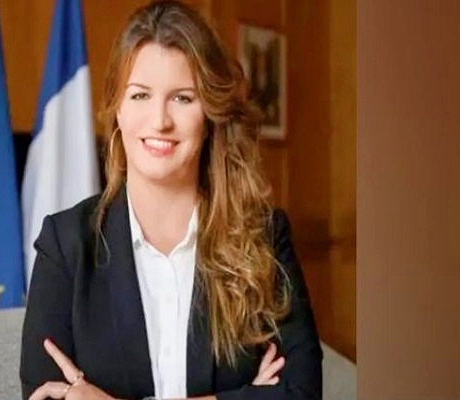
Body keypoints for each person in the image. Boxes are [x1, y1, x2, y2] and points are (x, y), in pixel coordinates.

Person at [20, 1, 323, 399]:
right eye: (140, 95)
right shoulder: (66, 244)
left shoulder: (264, 236)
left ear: (210, 114)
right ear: (117, 109)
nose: (160, 120)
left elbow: (302, 393)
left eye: (182, 98)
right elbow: (42, 395)